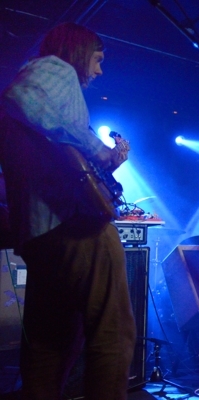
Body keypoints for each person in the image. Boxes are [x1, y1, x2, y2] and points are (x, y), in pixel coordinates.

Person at [0, 22, 136, 399]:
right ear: (78, 52)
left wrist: (108, 161)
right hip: (75, 227)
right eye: (97, 59)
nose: (99, 71)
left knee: (49, 347)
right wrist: (95, 147)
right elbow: (20, 97)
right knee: (112, 332)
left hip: (42, 232)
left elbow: (61, 159)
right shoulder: (55, 68)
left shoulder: (50, 78)